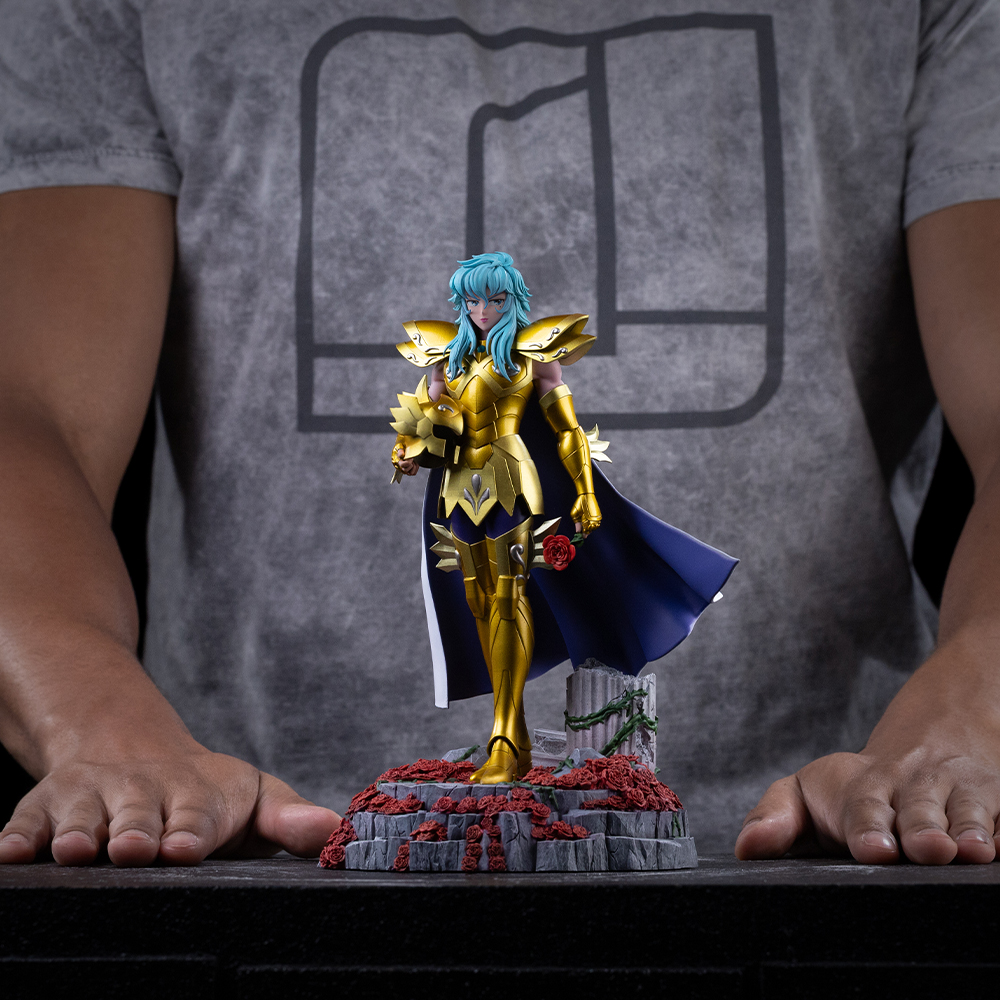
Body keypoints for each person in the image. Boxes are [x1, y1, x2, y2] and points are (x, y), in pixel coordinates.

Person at [0, 0, 999, 866]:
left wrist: (969, 708)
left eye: (491, 303)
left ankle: (525, 732)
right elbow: (30, 405)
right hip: (250, 861)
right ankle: (504, 737)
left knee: (539, 614)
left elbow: (554, 421)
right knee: (481, 614)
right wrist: (103, 732)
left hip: (825, 861)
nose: (480, 314)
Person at [390, 252, 736, 784]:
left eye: (495, 299)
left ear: (512, 300)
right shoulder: (443, 356)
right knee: (478, 602)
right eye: (473, 300)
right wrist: (408, 452)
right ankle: (516, 735)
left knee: (508, 599)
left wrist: (585, 493)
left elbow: (566, 429)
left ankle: (506, 738)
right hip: (459, 488)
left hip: (511, 479)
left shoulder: (533, 352)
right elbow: (425, 424)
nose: (483, 310)